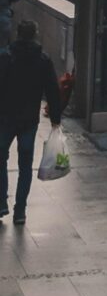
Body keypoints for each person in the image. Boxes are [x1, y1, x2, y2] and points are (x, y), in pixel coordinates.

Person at [0, 17, 63, 225]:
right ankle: (20, 210)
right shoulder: (42, 59)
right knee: (25, 165)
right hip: (29, 119)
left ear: (18, 34)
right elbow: (53, 91)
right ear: (35, 34)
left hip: (6, 116)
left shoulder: (6, 56)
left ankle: (1, 202)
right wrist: (55, 119)